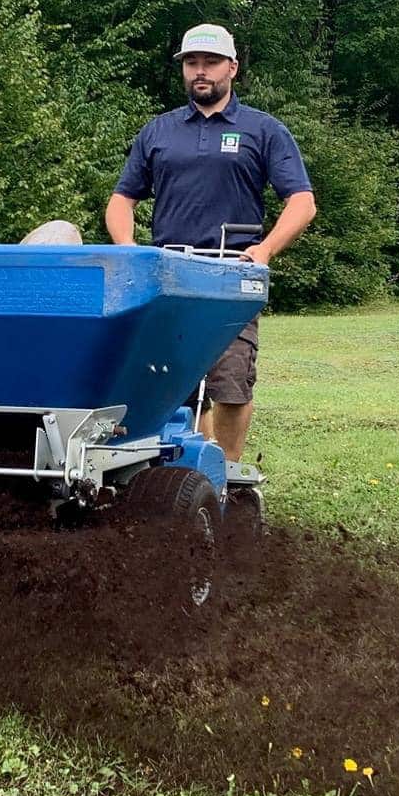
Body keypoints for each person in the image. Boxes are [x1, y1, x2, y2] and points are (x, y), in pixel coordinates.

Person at [105, 23, 316, 466]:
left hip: (230, 272)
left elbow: (301, 202)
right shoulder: (158, 131)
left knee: (231, 381)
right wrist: (127, 247)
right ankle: (192, 469)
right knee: (174, 383)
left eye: (210, 62)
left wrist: (265, 250)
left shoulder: (263, 129)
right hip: (168, 275)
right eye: (192, 63)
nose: (200, 72)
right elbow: (122, 198)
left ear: (232, 68)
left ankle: (231, 475)